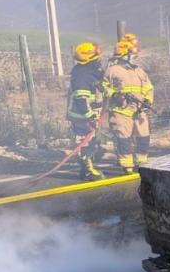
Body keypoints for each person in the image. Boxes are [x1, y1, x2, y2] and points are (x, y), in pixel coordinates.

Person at [103, 40, 154, 174]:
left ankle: (141, 162)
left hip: (139, 111)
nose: (137, 58)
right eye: (134, 55)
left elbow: (149, 87)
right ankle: (127, 165)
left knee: (144, 136)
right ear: (125, 56)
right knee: (123, 138)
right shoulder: (112, 71)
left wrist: (148, 100)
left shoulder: (140, 71)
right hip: (121, 111)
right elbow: (103, 87)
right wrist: (114, 95)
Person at [66, 42, 105, 181]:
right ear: (90, 58)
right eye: (97, 56)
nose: (99, 59)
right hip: (82, 116)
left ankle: (87, 169)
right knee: (85, 143)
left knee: (90, 142)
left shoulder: (88, 72)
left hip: (88, 115)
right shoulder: (82, 75)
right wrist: (90, 117)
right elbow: (81, 99)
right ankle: (88, 171)